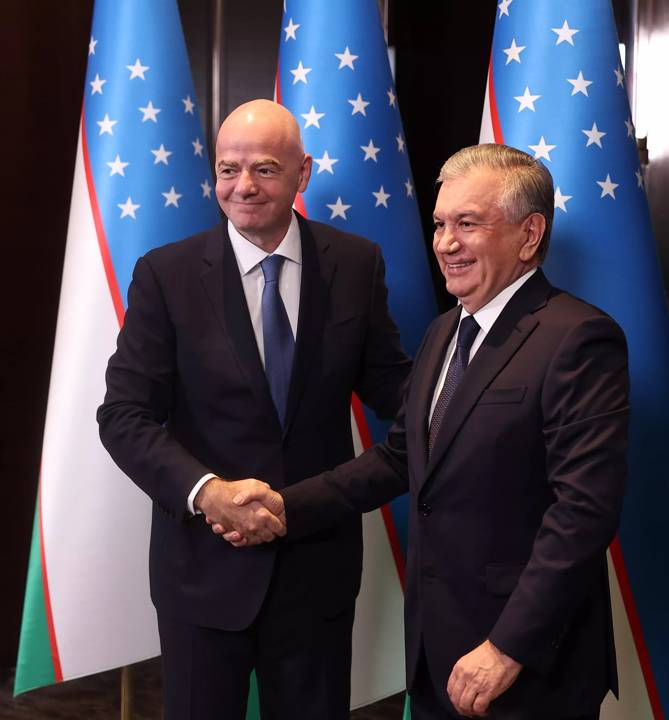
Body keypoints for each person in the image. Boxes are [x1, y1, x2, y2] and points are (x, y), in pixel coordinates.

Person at [217, 144, 630, 720]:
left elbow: (583, 512)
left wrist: (508, 646)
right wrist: (285, 505)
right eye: (439, 224)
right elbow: (402, 458)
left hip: (527, 663)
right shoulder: (443, 333)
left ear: (530, 234)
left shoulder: (579, 338)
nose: (446, 243)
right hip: (438, 652)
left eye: (468, 224)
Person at [97, 99, 411, 720]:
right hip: (204, 571)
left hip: (315, 569)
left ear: (303, 172)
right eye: (227, 169)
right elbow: (124, 414)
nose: (243, 186)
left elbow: (394, 391)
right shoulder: (167, 274)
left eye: (264, 169)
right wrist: (206, 491)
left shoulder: (355, 264)